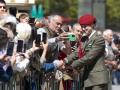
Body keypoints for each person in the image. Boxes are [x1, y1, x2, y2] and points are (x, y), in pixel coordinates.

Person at [63, 14, 109, 90]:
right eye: (82, 26)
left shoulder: (98, 39)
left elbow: (89, 57)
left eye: (86, 26)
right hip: (87, 78)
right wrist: (65, 61)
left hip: (98, 79)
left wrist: (71, 66)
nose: (83, 29)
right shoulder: (84, 38)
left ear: (93, 25)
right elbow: (77, 53)